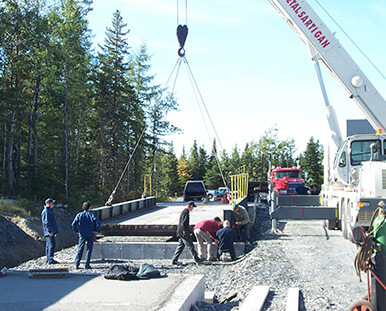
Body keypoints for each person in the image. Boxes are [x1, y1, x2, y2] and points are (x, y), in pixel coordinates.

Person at [171, 201, 203, 265]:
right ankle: (197, 260)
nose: (192, 209)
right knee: (190, 246)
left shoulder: (184, 211)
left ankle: (174, 260)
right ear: (190, 206)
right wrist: (185, 232)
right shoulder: (186, 212)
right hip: (184, 233)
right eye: (193, 207)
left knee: (180, 247)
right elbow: (183, 223)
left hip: (180, 232)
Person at [72, 201, 101, 269]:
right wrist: (96, 230)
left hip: (82, 234)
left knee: (80, 249)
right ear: (89, 207)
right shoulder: (92, 215)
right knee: (89, 249)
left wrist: (76, 231)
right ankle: (86, 264)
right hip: (90, 233)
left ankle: (76, 263)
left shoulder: (79, 215)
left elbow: (73, 224)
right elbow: (98, 223)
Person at [41, 198, 59, 264]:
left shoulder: (48, 211)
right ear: (48, 204)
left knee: (49, 245)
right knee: (51, 245)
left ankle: (48, 259)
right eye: (52, 203)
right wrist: (50, 231)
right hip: (49, 232)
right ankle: (50, 259)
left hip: (49, 231)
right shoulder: (46, 211)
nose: (53, 205)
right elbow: (46, 222)